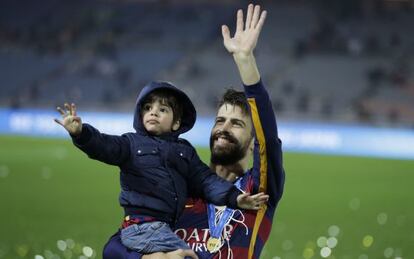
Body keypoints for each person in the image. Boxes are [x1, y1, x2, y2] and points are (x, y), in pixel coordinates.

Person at [103, 3, 285, 259]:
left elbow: (269, 140)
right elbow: (114, 246)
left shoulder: (257, 191)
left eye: (236, 123)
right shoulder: (180, 188)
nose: (223, 128)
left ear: (253, 140)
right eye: (220, 120)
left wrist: (245, 62)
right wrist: (145, 258)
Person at [54, 83, 269, 255]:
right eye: (148, 108)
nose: (153, 113)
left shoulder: (185, 152)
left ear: (176, 123)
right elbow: (103, 145)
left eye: (162, 109)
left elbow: (205, 181)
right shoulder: (131, 144)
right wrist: (81, 134)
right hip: (141, 226)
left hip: (162, 227)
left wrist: (235, 198)